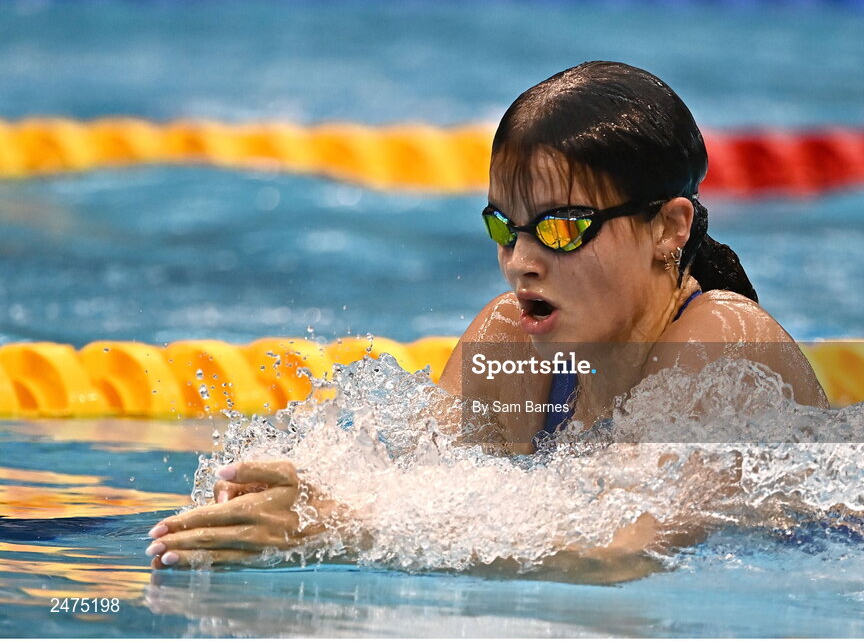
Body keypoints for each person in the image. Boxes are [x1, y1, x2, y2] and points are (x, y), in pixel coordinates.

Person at [145, 61, 828, 577]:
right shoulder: (512, 340)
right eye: (507, 226)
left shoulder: (725, 340)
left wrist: (341, 527)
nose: (520, 262)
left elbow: (623, 552)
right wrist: (299, 499)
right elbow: (422, 489)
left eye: (562, 228)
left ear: (668, 228)